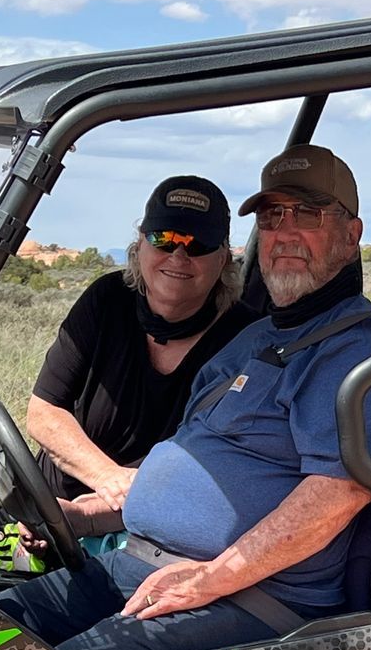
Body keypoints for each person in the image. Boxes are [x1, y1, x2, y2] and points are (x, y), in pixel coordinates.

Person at [0, 145, 371, 650]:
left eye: (307, 215)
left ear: (351, 236)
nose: (284, 232)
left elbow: (336, 496)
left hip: (251, 597)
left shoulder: (360, 355)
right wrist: (86, 514)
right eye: (272, 215)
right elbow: (189, 455)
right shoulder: (255, 340)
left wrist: (209, 579)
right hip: (142, 564)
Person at [26, 175, 257, 506]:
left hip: (154, 527)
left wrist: (107, 507)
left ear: (223, 258)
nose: (178, 255)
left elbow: (217, 465)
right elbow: (44, 411)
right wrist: (109, 479)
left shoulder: (246, 339)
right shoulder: (107, 300)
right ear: (140, 244)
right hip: (50, 511)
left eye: (198, 243)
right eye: (164, 238)